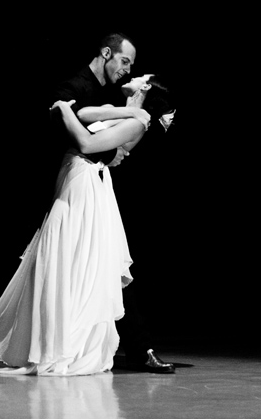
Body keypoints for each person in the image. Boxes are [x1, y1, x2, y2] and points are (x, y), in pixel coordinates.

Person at [0, 73, 171, 376]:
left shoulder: (138, 122)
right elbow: (87, 114)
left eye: (139, 74)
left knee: (63, 265)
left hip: (87, 186)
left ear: (144, 89)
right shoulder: (127, 112)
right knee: (49, 262)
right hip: (75, 178)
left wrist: (68, 110)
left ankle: (9, 344)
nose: (132, 73)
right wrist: (127, 107)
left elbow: (87, 141)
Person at [45, 33, 176, 374]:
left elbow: (103, 142)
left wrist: (120, 134)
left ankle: (134, 346)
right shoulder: (86, 88)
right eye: (126, 62)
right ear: (107, 53)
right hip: (81, 182)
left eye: (134, 71)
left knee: (104, 267)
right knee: (78, 264)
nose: (129, 71)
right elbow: (89, 129)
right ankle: (131, 346)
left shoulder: (125, 108)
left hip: (96, 183)